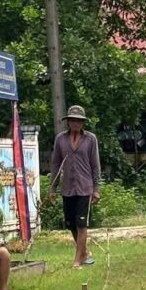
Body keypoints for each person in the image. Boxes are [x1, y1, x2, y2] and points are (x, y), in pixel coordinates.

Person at [47, 104, 102, 269]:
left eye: (78, 121)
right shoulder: (60, 139)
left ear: (83, 122)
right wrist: (52, 188)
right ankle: (84, 253)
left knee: (81, 223)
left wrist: (96, 189)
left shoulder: (90, 139)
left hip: (85, 187)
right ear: (68, 121)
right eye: (72, 120)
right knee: (71, 223)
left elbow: (95, 165)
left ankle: (78, 260)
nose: (75, 123)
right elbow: (56, 164)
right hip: (68, 188)